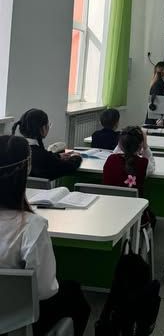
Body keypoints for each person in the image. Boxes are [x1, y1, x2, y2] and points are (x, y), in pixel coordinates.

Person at [0, 135, 90, 335]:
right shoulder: (32, 226)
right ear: (26, 169)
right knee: (74, 294)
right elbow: (44, 290)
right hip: (19, 321)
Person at [103, 127, 156, 227]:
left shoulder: (111, 159)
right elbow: (152, 165)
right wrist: (145, 147)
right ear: (140, 145)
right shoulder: (143, 164)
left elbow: (115, 153)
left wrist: (121, 142)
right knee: (152, 217)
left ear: (120, 144)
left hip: (109, 211)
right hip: (135, 215)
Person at [12, 109, 81, 180]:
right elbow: (69, 167)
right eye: (48, 125)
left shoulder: (14, 149)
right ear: (43, 128)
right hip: (39, 187)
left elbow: (42, 158)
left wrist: (58, 156)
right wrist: (76, 157)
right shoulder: (43, 156)